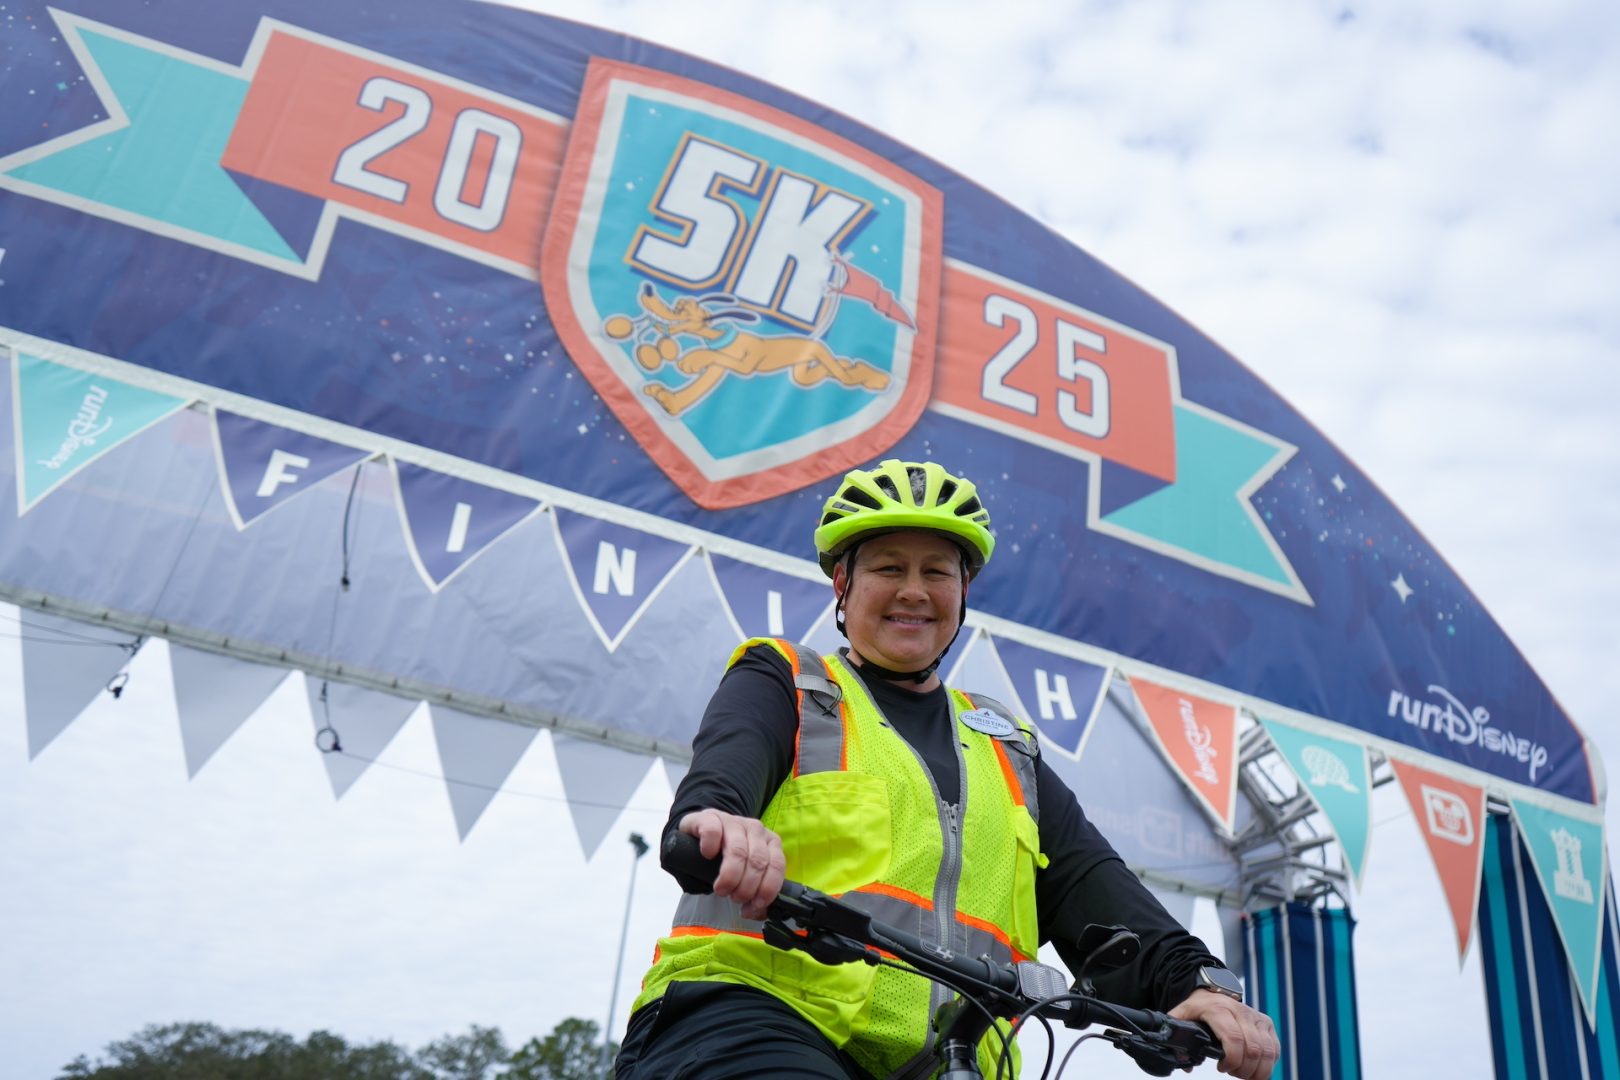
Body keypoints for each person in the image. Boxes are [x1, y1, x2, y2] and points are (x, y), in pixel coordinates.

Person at [615, 459, 1279, 1079]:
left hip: (952, 1056)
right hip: (750, 1021)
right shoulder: (788, 682)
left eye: (937, 571)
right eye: (886, 568)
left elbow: (1096, 885)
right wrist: (724, 823)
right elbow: (724, 773)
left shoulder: (1007, 747)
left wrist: (1197, 986)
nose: (913, 591)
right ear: (844, 584)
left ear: (964, 591)